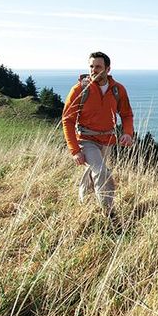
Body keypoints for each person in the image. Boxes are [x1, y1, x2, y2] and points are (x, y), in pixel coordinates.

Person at [62, 51, 135, 214]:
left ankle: (84, 206)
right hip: (86, 140)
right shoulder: (79, 89)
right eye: (91, 66)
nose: (93, 70)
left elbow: (126, 114)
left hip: (107, 141)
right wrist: (75, 150)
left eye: (98, 67)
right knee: (102, 172)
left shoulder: (118, 90)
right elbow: (67, 120)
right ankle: (108, 212)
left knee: (93, 173)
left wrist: (128, 133)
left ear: (107, 69)